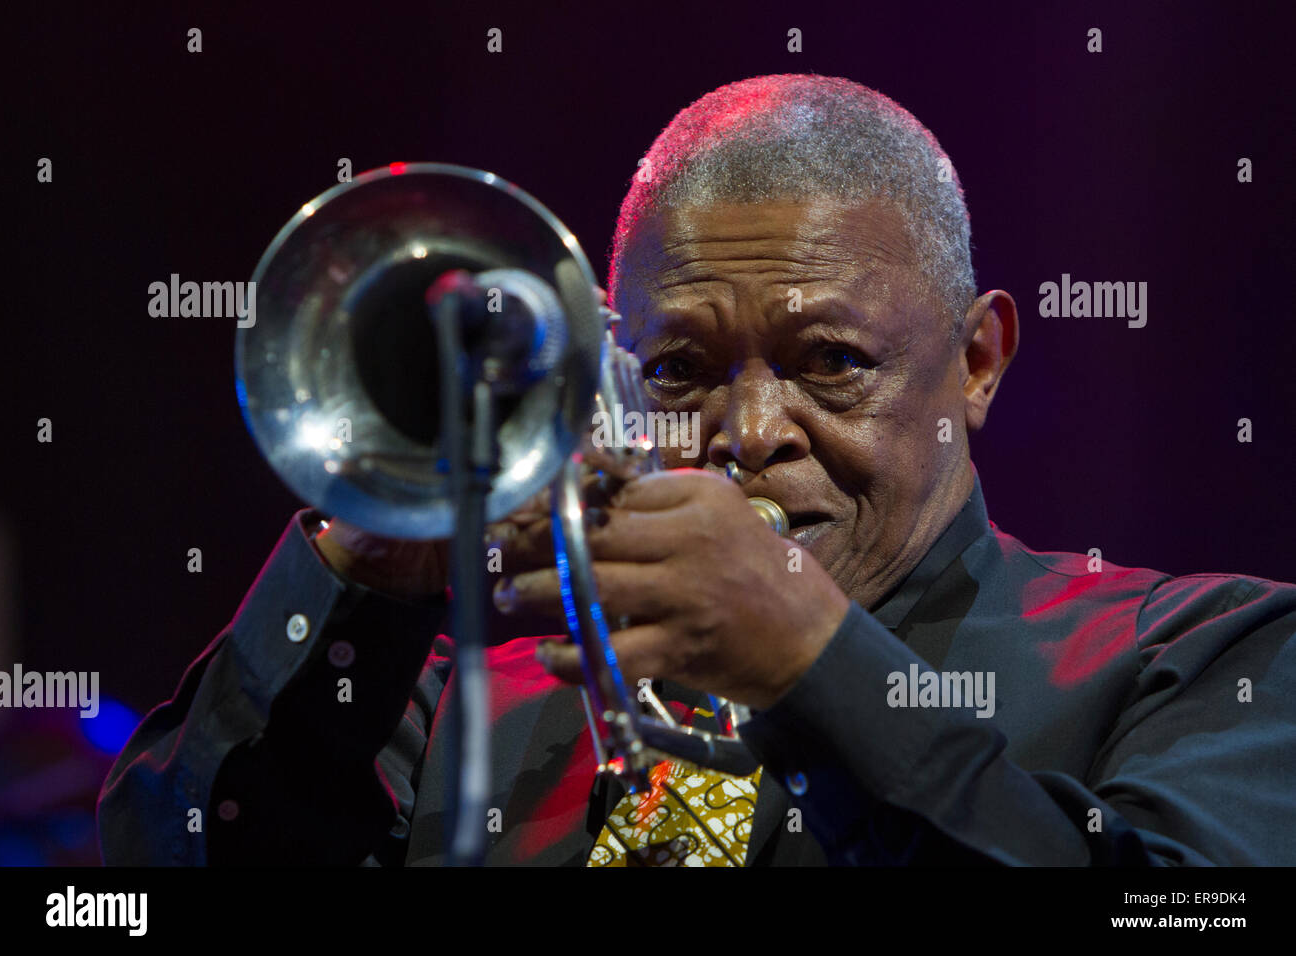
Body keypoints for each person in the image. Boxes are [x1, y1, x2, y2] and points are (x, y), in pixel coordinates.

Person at [98, 74, 1296, 866]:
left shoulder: (1197, 653)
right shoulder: (458, 708)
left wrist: (816, 665)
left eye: (829, 360)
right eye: (678, 370)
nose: (747, 429)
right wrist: (369, 567)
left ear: (976, 361)